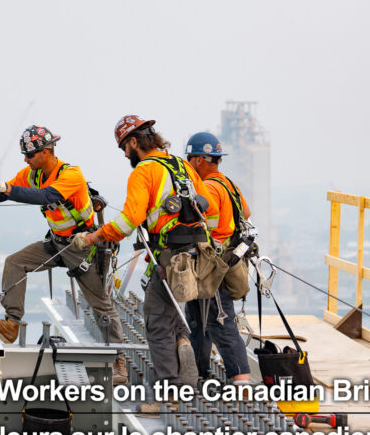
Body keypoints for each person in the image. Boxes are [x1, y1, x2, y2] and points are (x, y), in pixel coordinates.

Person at [0, 124, 129, 384]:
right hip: (56, 244)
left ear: (47, 151)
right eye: (25, 155)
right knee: (15, 262)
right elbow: (2, 194)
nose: (26, 160)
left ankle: (119, 359)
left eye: (30, 155)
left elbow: (45, 196)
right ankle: (12, 324)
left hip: (83, 246)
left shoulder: (71, 174)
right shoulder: (32, 174)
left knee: (101, 305)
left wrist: (6, 188)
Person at [74, 115, 214, 414]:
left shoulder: (143, 172)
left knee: (156, 322)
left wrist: (93, 237)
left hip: (168, 255)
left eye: (125, 147)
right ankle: (183, 343)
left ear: (134, 142)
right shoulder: (181, 165)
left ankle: (169, 395)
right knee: (173, 312)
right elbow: (207, 204)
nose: (125, 154)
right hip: (197, 253)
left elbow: (128, 221)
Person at [184, 131, 252, 385]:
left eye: (190, 160)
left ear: (199, 159)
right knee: (198, 319)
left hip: (214, 264)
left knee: (220, 319)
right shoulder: (227, 182)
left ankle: (241, 381)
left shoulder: (209, 187)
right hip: (226, 259)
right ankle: (199, 371)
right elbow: (245, 211)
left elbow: (203, 217)